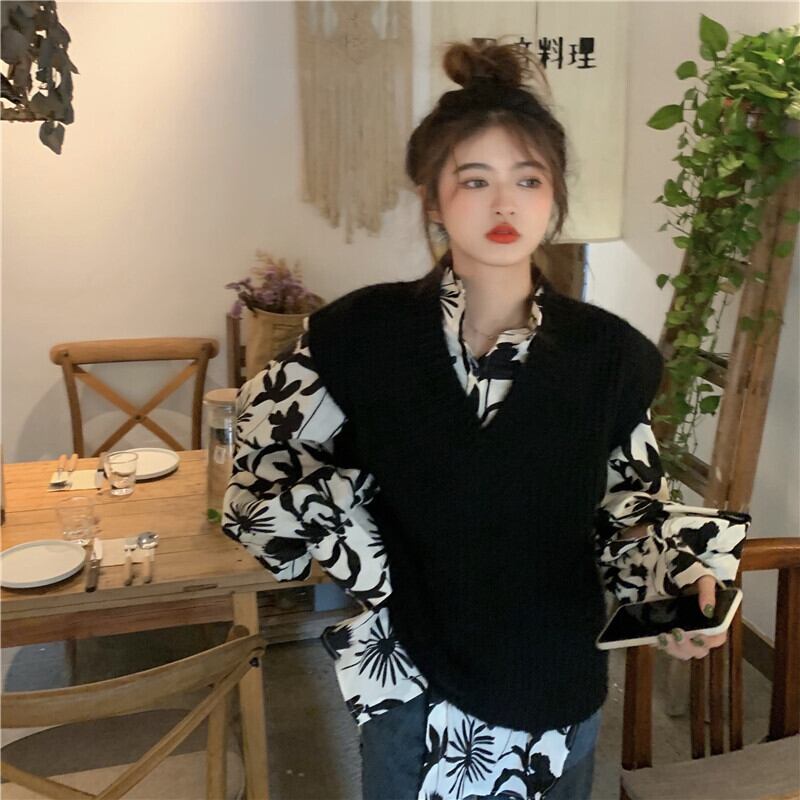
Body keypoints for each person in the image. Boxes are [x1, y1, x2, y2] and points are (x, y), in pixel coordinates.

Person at [223, 39, 751, 800]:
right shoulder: (359, 336)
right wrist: (367, 532)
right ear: (432, 198)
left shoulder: (606, 356)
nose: (505, 204)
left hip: (556, 683)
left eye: (527, 179)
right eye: (475, 180)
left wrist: (683, 578)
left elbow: (626, 510)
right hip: (414, 684)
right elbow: (259, 479)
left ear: (553, 195)